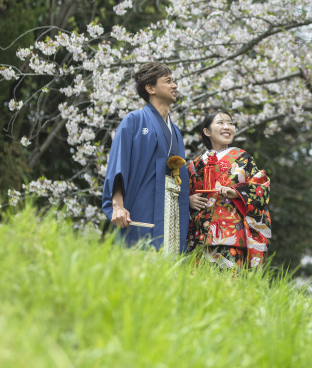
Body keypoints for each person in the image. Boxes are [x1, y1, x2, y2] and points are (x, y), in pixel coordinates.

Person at [101, 62, 190, 252]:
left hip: (170, 211)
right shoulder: (134, 121)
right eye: (168, 81)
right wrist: (117, 206)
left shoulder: (176, 131)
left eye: (174, 81)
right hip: (142, 207)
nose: (174, 86)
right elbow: (118, 164)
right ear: (150, 88)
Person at [186, 110, 271, 269]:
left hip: (231, 235)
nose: (227, 127)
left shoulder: (243, 158)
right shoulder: (194, 165)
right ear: (207, 131)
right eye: (221, 123)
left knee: (229, 285)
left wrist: (238, 192)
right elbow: (183, 193)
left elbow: (261, 188)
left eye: (230, 123)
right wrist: (188, 200)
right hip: (198, 237)